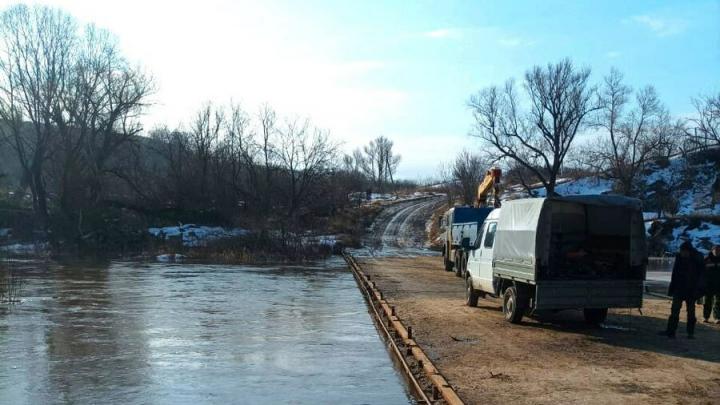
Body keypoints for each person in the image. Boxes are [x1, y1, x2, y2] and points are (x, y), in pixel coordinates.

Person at [660, 240, 705, 339]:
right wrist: (672, 289)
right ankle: (671, 331)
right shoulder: (679, 257)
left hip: (691, 290)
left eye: (684, 251)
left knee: (691, 313)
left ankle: (690, 333)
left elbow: (701, 276)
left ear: (689, 251)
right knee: (674, 311)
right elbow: (675, 274)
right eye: (681, 251)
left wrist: (699, 291)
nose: (682, 253)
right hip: (679, 289)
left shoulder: (697, 259)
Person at [703, 245, 720, 324]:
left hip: (719, 284)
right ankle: (706, 317)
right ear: (712, 250)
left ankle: (717, 317)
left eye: (718, 250)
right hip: (708, 284)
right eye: (715, 250)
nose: (717, 251)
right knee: (707, 301)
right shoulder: (706, 259)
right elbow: (701, 272)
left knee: (718, 302)